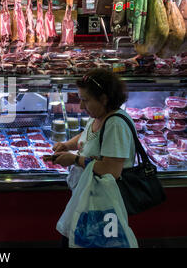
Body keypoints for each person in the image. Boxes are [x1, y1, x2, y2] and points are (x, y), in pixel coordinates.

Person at [43, 68, 137, 248]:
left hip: (103, 203)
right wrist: (67, 145)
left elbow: (112, 170)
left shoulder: (115, 124)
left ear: (104, 99)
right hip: (88, 196)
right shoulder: (100, 116)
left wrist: (74, 159)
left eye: (85, 100)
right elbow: (88, 135)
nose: (80, 106)